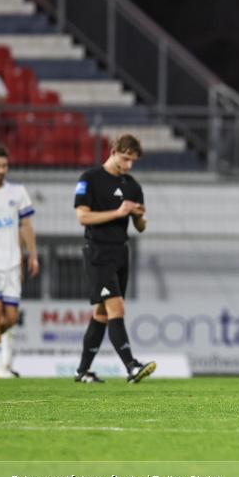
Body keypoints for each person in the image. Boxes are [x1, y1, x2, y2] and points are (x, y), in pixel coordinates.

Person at [73, 134, 155, 384]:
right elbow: (83, 217)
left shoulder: (133, 186)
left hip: (121, 252)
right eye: (125, 158)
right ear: (113, 152)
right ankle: (131, 366)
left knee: (102, 313)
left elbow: (140, 227)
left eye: (133, 161)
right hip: (98, 251)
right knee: (116, 308)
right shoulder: (90, 178)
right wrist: (118, 212)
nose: (129, 165)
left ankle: (82, 371)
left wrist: (139, 216)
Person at [0, 143, 38, 379]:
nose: (1, 170)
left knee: (11, 318)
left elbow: (26, 226)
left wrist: (32, 255)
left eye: (4, 166)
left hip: (11, 264)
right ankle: (0, 366)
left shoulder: (17, 192)